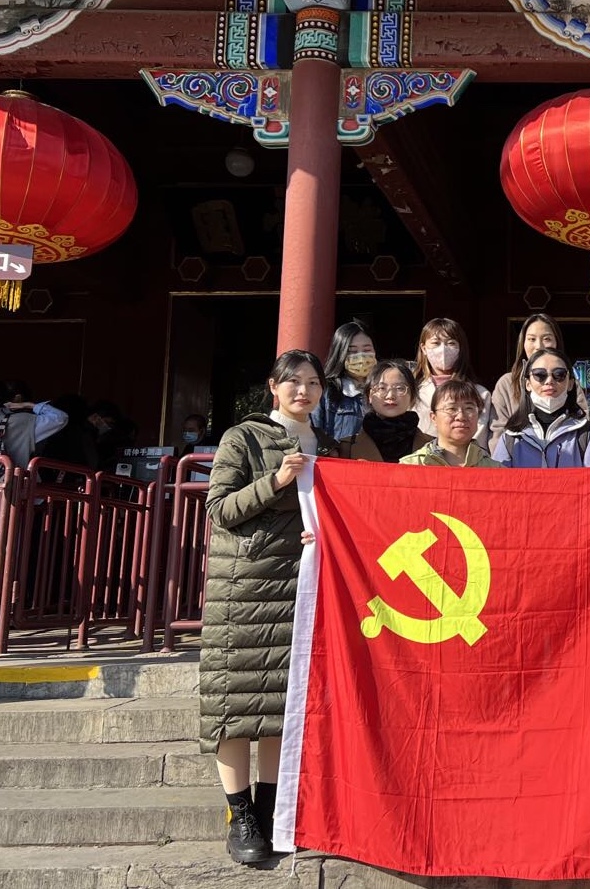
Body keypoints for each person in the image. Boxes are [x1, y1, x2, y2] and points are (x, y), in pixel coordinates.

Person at [199, 349, 339, 865]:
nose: (304, 390)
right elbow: (219, 509)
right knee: (234, 707)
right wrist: (275, 481)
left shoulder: (328, 445)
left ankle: (270, 808)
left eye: (313, 382)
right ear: (273, 387)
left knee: (282, 705)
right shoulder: (244, 437)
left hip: (301, 584)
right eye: (293, 381)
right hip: (246, 587)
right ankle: (240, 815)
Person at [492, 348, 590, 468]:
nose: (549, 381)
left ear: (570, 384)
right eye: (540, 375)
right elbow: (498, 478)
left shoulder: (589, 434)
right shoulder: (510, 438)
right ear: (528, 384)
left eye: (559, 374)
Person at [489, 314, 588, 445]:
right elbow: (498, 433)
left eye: (547, 339)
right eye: (531, 339)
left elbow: (583, 423)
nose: (539, 346)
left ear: (557, 342)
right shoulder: (506, 384)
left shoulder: (567, 382)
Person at [411, 318, 492, 449]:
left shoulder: (480, 393)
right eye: (436, 343)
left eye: (451, 343)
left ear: (460, 348)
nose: (443, 349)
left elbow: (479, 439)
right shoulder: (412, 390)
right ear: (424, 348)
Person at [0, 380, 68, 479]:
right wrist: (29, 405)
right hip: (12, 483)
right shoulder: (25, 420)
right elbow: (60, 418)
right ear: (18, 398)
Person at [340, 359, 430, 462]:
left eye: (400, 388)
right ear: (370, 396)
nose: (390, 396)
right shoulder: (346, 448)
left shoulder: (432, 446)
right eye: (381, 388)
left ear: (412, 396)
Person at [401, 379, 501, 468]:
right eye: (451, 409)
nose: (461, 416)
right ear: (433, 417)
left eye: (469, 408)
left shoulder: (495, 470)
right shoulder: (411, 466)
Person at [311, 321, 377, 442]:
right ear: (340, 353)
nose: (361, 357)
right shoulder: (325, 390)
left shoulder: (384, 390)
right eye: (352, 351)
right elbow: (314, 431)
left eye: (367, 350)